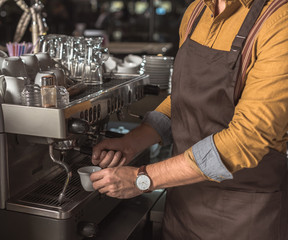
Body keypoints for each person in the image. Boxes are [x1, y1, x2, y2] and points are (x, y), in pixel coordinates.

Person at [90, 0, 288, 239]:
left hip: (243, 216)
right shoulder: (196, 11)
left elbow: (248, 138)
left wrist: (142, 178)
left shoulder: (278, 18)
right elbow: (184, 100)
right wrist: (131, 143)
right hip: (182, 209)